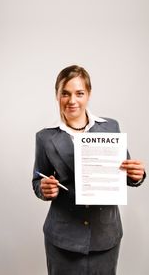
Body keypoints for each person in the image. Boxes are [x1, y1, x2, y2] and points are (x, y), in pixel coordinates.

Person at [32, 65, 146, 275]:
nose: (72, 100)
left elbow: (127, 174)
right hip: (63, 238)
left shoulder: (110, 127)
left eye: (79, 93)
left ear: (89, 94)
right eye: (65, 93)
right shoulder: (45, 137)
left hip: (105, 235)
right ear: (57, 96)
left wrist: (137, 176)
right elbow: (37, 181)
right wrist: (44, 188)